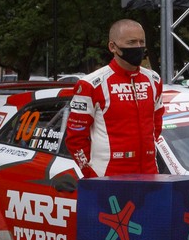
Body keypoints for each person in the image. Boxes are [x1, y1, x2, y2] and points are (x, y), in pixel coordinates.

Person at [64, 18, 164, 176]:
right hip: (108, 178)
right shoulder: (91, 84)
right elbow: (75, 138)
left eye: (141, 42)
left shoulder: (154, 80)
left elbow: (156, 125)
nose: (138, 47)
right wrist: (90, 173)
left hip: (150, 175)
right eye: (131, 42)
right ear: (113, 47)